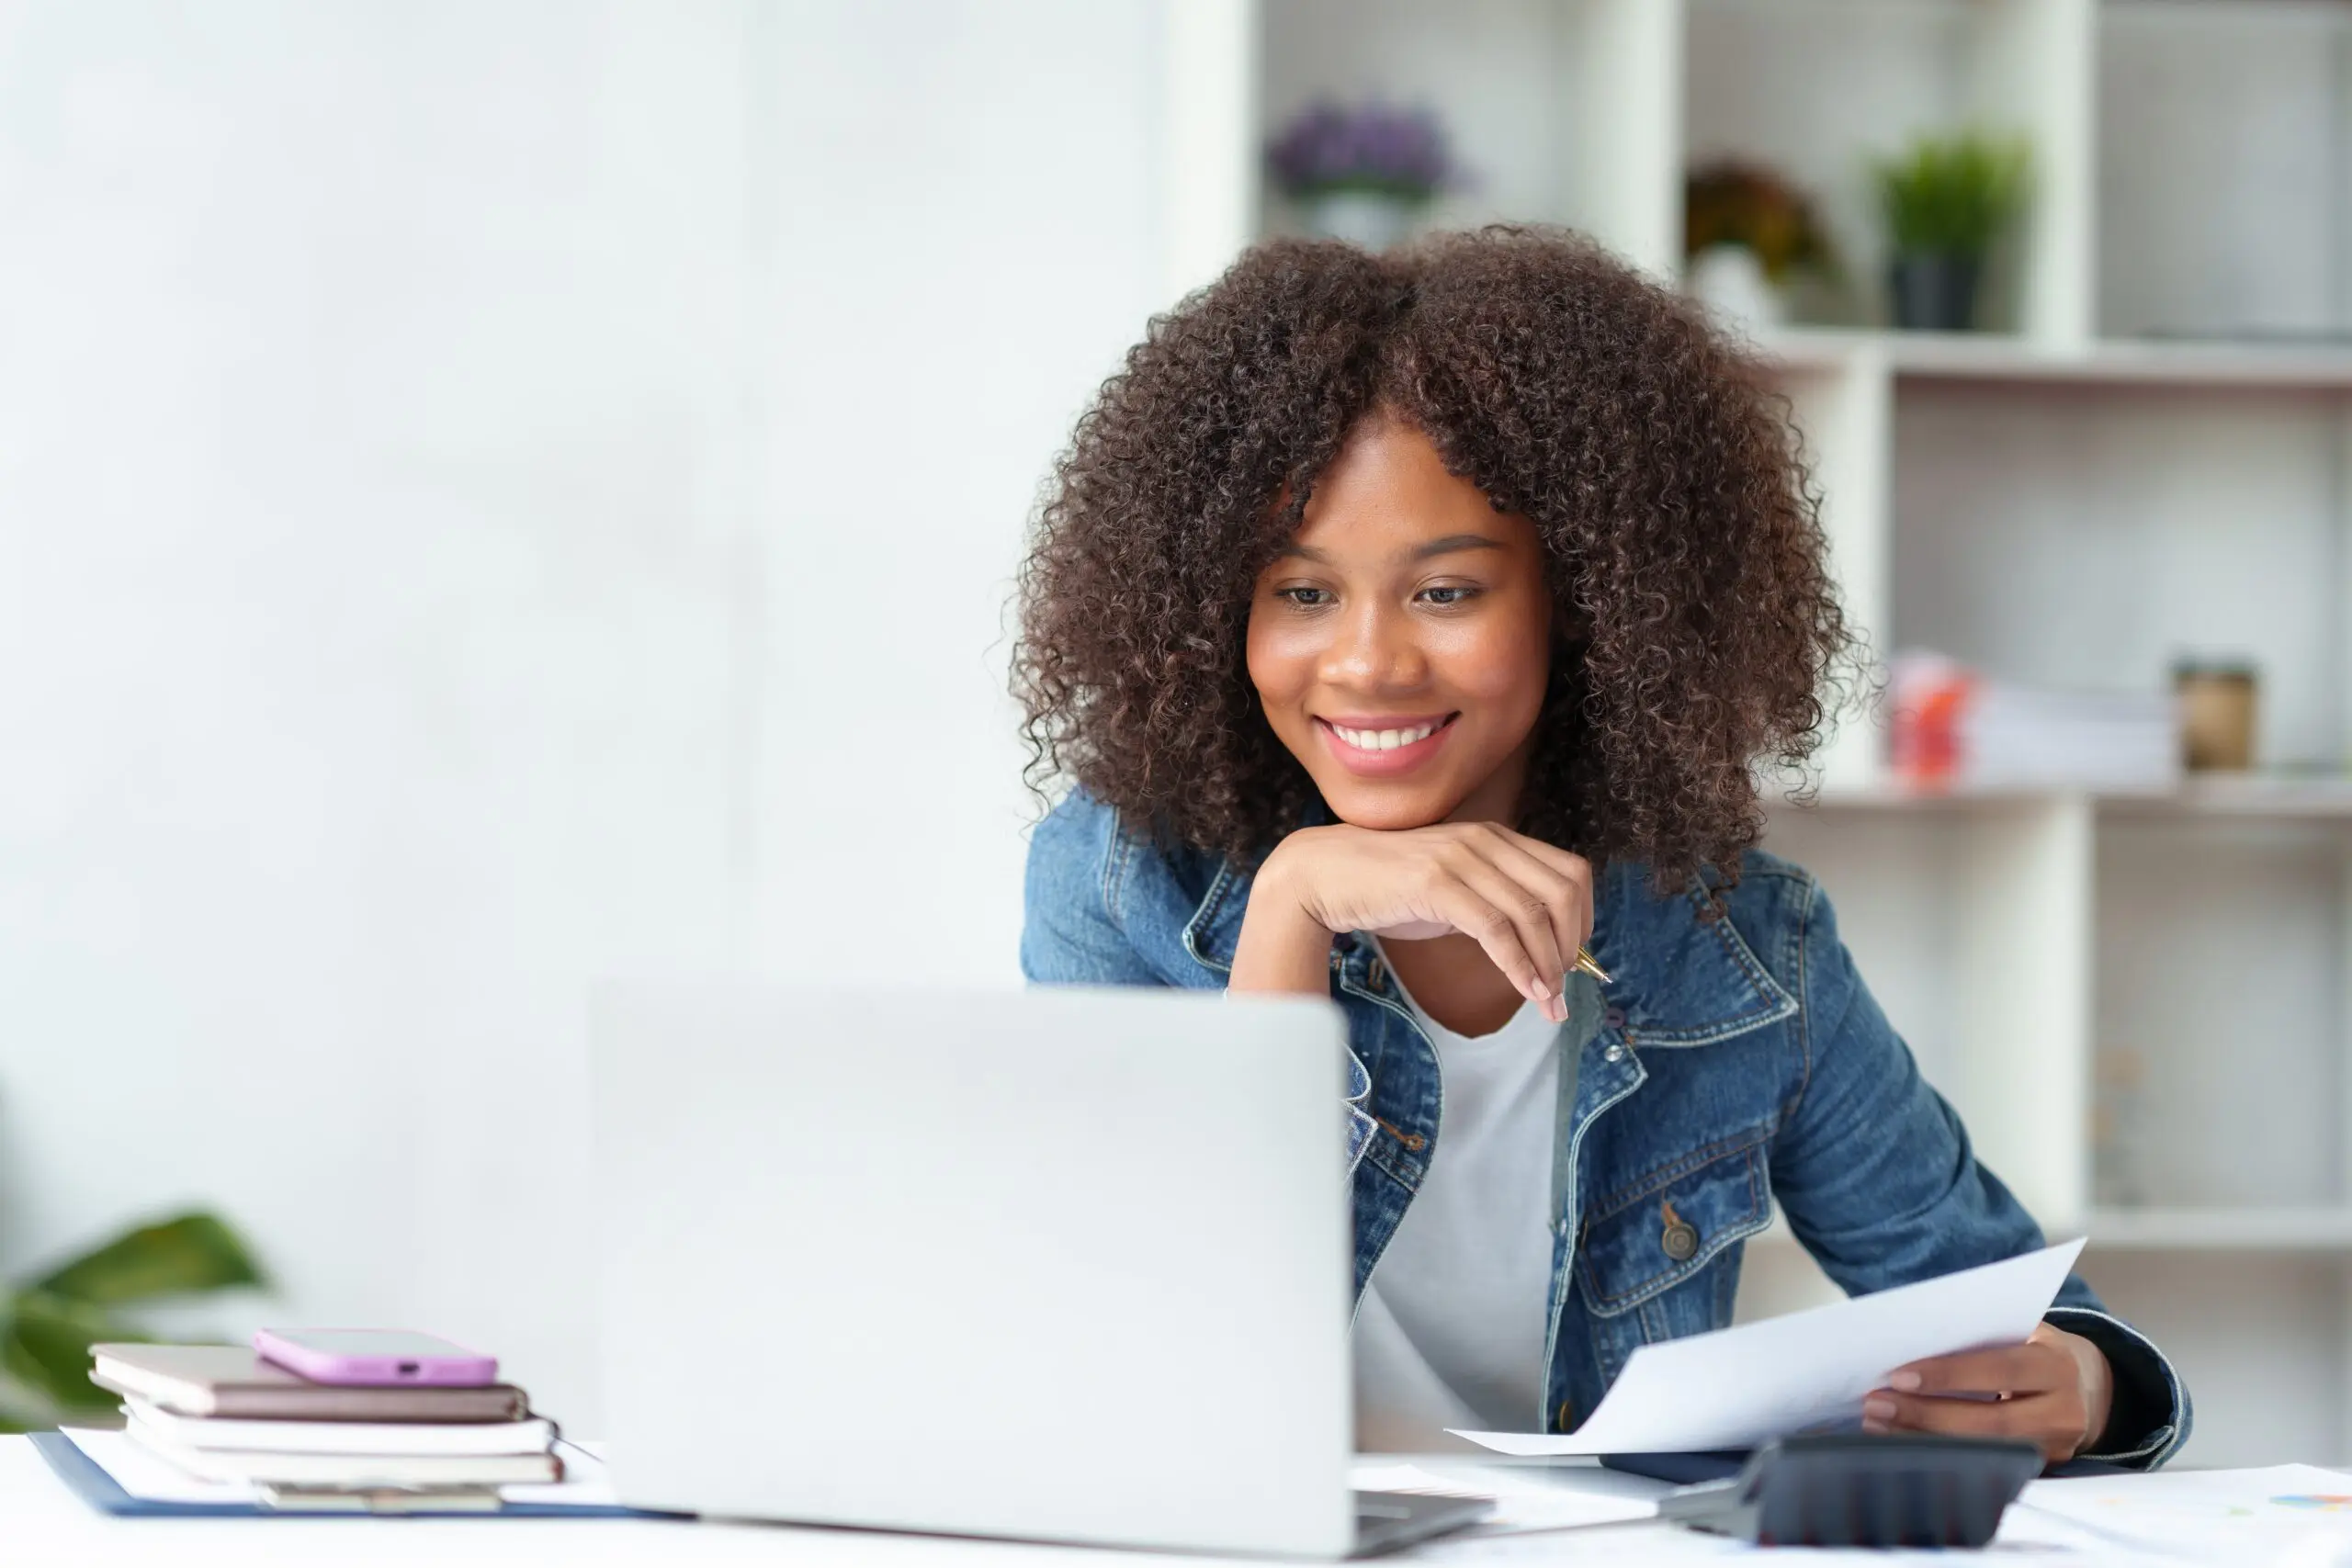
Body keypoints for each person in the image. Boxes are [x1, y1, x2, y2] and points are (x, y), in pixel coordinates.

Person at [1012, 227, 2186, 1464]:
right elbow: (1142, 1366)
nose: (1366, 662)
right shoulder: (1121, 880)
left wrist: (2089, 1384)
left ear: (1587, 600)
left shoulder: (1741, 944)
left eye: (1446, 591)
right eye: (1303, 593)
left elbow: (2022, 1311)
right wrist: (1294, 908)